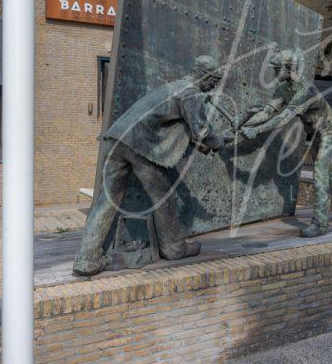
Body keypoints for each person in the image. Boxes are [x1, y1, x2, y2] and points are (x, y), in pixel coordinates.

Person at [73, 55, 230, 276]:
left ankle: (86, 260)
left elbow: (183, 131)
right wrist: (220, 141)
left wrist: (203, 143)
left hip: (115, 139)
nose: (213, 87)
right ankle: (174, 248)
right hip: (138, 145)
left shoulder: (173, 87)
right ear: (205, 75)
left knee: (106, 201)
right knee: (163, 196)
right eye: (214, 81)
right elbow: (201, 131)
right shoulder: (190, 92)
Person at [241, 48, 332, 237]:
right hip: (313, 133)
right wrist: (245, 126)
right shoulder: (282, 89)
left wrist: (256, 130)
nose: (273, 73)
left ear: (288, 68)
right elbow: (268, 112)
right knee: (326, 172)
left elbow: (284, 118)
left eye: (276, 68)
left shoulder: (306, 90)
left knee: (320, 174)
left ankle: (320, 224)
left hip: (329, 131)